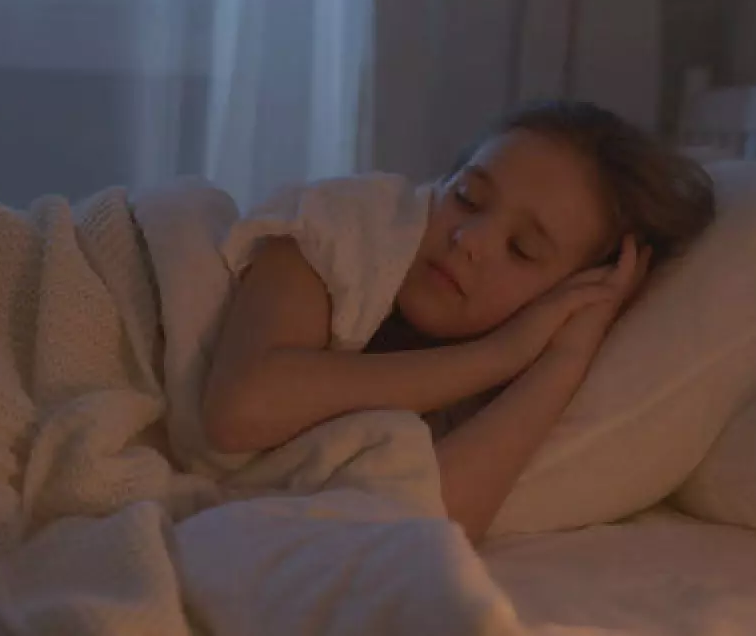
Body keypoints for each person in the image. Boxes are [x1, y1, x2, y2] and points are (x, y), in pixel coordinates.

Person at [201, 101, 716, 543]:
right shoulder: (349, 225)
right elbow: (241, 409)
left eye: (522, 249)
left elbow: (416, 530)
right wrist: (501, 353)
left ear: (570, 293)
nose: (469, 239)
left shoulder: (473, 399)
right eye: (466, 197)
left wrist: (564, 357)